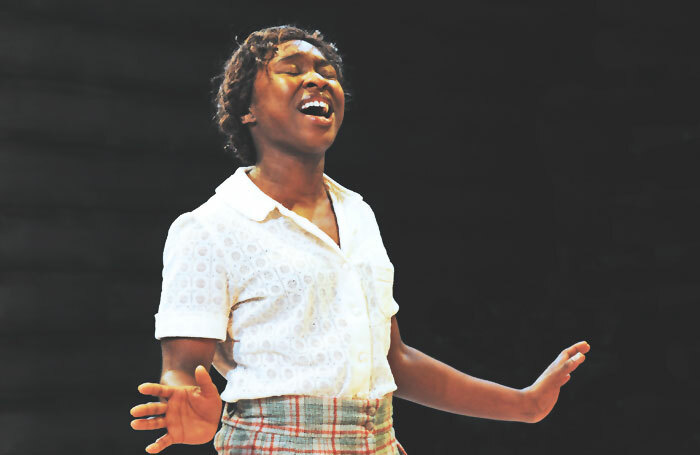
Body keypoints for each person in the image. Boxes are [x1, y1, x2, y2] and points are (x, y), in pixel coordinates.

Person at [129, 25, 591, 454]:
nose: (317, 80)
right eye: (292, 70)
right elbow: (182, 365)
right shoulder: (210, 227)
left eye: (326, 73)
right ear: (246, 109)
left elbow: (395, 361)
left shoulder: (358, 215)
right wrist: (191, 408)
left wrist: (524, 405)